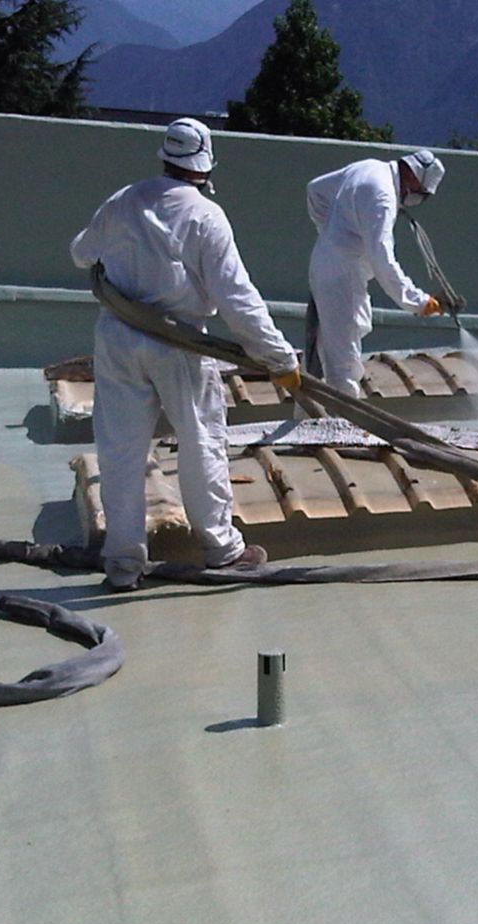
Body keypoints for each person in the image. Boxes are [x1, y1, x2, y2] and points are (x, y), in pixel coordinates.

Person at [70, 118, 302, 592]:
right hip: (181, 344)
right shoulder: (205, 216)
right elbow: (239, 299)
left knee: (121, 451)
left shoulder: (124, 200)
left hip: (117, 338)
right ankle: (221, 549)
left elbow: (80, 253)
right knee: (200, 444)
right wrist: (281, 360)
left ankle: (122, 563)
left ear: (163, 157)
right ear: (205, 167)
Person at [305, 150, 449, 398]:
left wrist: (332, 232)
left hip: (324, 263)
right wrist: (419, 302)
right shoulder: (383, 198)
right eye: (422, 193)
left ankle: (316, 414)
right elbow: (382, 258)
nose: (417, 199)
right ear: (415, 179)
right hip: (343, 275)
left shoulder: (370, 167)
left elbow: (315, 190)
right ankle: (343, 426)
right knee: (344, 361)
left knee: (325, 350)